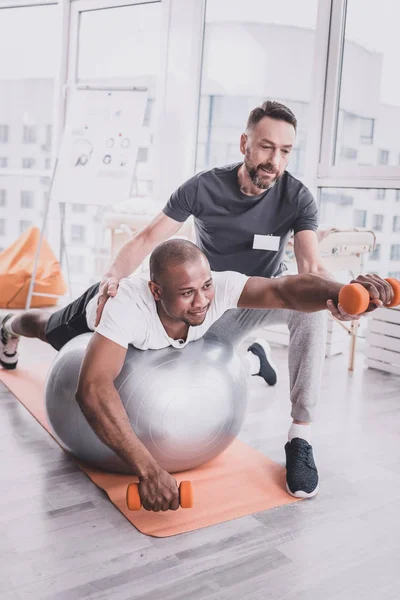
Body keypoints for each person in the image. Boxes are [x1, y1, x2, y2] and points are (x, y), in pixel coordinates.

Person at [93, 100, 362, 498]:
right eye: (267, 147)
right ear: (244, 143)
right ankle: (253, 359)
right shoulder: (203, 187)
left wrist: (339, 294)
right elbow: (151, 236)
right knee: (192, 361)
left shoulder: (298, 197)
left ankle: (300, 436)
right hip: (212, 306)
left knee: (312, 312)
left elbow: (310, 266)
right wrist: (112, 275)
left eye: (285, 151)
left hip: (262, 297)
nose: (275, 160)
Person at [0, 240, 393, 510]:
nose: (203, 300)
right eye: (186, 293)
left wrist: (345, 291)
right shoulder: (127, 307)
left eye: (205, 286)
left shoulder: (214, 289)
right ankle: (9, 326)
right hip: (91, 317)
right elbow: (91, 389)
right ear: (156, 291)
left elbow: (286, 290)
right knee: (47, 327)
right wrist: (150, 469)